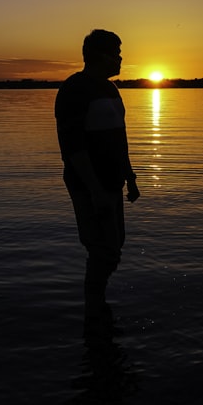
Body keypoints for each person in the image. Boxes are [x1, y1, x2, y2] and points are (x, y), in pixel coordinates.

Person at [55, 29, 140, 338]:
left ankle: (98, 310)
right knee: (101, 249)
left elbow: (120, 137)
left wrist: (130, 178)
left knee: (113, 246)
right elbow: (72, 146)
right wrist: (94, 190)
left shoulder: (111, 90)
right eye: (116, 52)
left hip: (112, 182)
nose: (120, 58)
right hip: (88, 185)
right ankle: (94, 312)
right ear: (99, 55)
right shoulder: (75, 89)